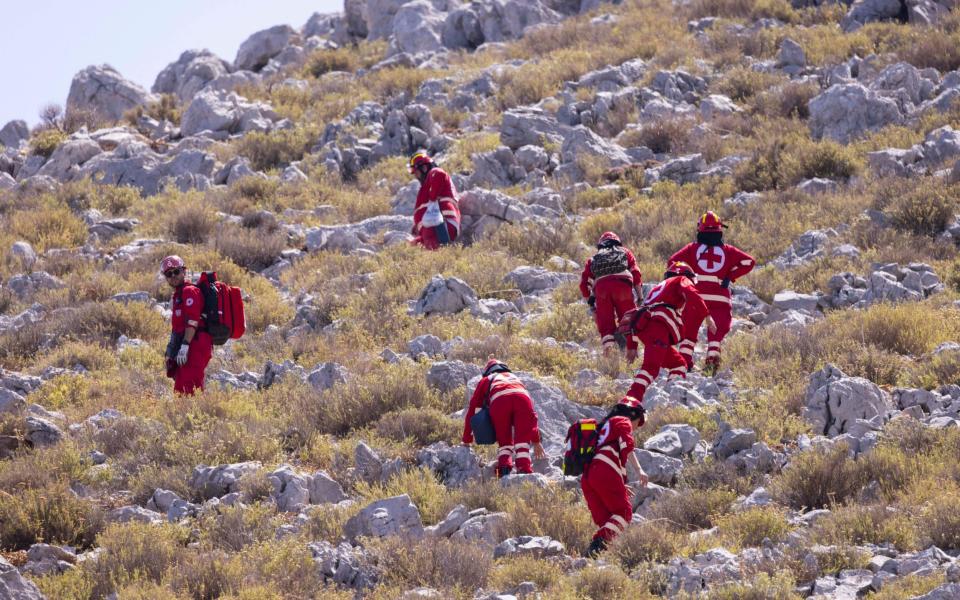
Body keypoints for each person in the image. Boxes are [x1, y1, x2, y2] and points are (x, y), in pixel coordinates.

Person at [668, 212, 755, 375]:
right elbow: (750, 261)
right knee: (716, 332)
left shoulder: (691, 248)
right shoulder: (728, 250)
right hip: (720, 298)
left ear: (699, 230)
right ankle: (712, 362)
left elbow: (672, 261)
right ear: (719, 230)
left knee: (689, 331)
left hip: (695, 297)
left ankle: (684, 363)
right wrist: (730, 276)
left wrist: (685, 279)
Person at [620, 261, 715, 406]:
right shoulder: (681, 279)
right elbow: (692, 293)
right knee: (651, 368)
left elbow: (637, 317)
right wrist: (707, 316)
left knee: (679, 364)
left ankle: (672, 397)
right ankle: (629, 402)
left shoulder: (657, 289)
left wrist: (632, 346)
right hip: (659, 327)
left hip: (646, 329)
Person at [581, 398, 649, 557]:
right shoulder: (622, 421)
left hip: (588, 477)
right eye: (638, 423)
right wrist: (639, 470)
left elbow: (602, 456)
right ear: (632, 415)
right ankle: (593, 551)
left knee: (608, 521)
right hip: (605, 470)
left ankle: (595, 557)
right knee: (624, 512)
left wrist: (619, 484)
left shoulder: (601, 427)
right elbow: (627, 446)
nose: (636, 428)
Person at [462, 358, 546, 478]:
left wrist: (467, 440)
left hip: (500, 402)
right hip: (523, 400)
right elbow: (531, 417)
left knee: (505, 442)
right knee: (522, 442)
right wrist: (536, 441)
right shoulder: (515, 378)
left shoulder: (486, 379)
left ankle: (504, 471)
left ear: (488, 371)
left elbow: (472, 411)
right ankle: (524, 472)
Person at [579, 232, 643, 360]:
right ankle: (632, 355)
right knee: (629, 319)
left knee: (606, 325)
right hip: (623, 286)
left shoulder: (594, 258)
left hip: (602, 289)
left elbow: (583, 284)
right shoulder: (625, 252)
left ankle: (609, 357)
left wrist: (592, 305)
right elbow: (636, 273)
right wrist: (640, 296)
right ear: (618, 242)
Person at [161, 255, 213, 395]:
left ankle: (193, 415)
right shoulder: (178, 295)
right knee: (181, 387)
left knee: (188, 388)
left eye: (176, 271)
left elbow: (192, 321)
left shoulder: (189, 291)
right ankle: (187, 415)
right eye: (169, 274)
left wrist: (184, 346)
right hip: (188, 345)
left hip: (196, 344)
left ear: (184, 271)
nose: (173, 276)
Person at [409, 152, 460, 250]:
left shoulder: (435, 172)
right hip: (432, 231)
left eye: (417, 173)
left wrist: (432, 198)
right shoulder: (427, 185)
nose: (416, 177)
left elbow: (439, 175)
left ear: (424, 168)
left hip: (441, 227)